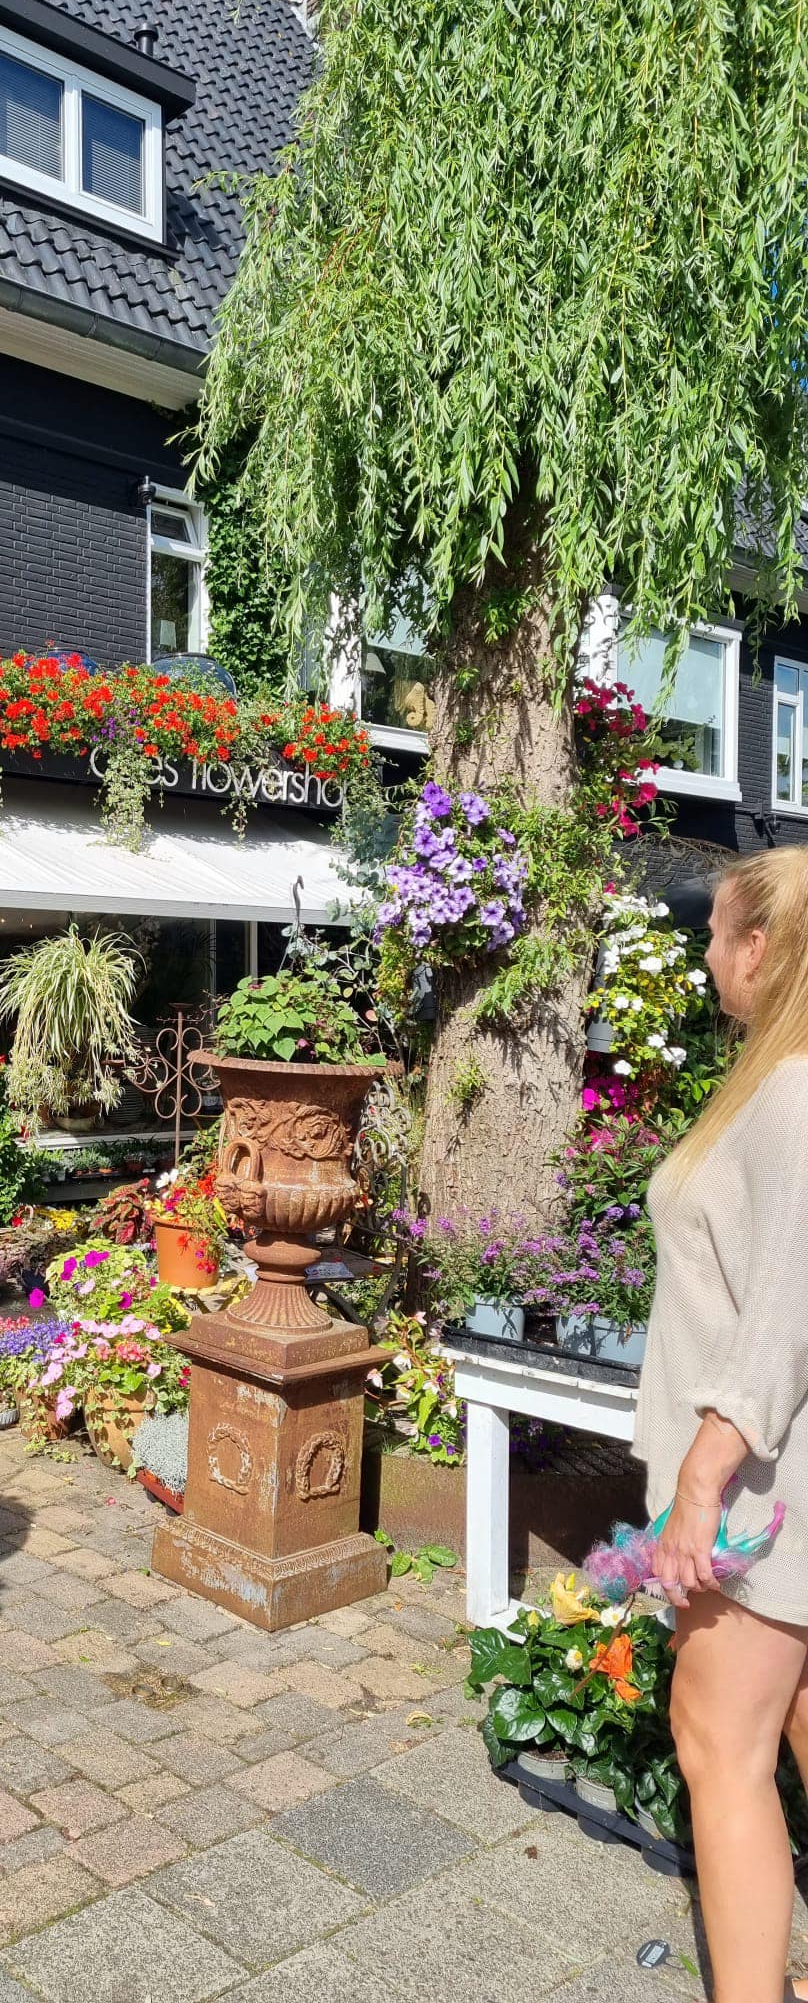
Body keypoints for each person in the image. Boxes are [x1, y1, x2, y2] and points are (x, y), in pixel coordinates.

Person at [636, 845, 808, 2003]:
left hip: (761, 1487)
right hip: (777, 1467)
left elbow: (794, 1292)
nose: (702, 954)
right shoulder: (780, 1077)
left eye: (714, 934)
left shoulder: (794, 1088)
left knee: (718, 1742)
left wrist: (704, 1470)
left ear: (760, 946)